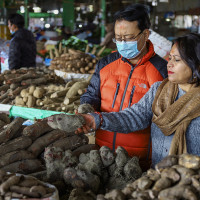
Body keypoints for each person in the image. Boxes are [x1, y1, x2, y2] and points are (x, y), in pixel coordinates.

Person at [75, 33, 200, 168]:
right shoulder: (159, 90)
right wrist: (96, 119)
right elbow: (134, 117)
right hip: (160, 176)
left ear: (196, 64)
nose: (169, 64)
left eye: (177, 60)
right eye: (169, 58)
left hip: (193, 181)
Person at [79, 3, 168, 170]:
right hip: (102, 154)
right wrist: (86, 109)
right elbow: (91, 94)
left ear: (146, 34)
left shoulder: (162, 70)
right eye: (118, 38)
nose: (122, 43)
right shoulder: (105, 63)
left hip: (140, 161)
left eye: (128, 38)